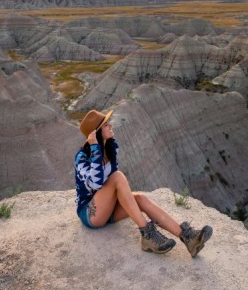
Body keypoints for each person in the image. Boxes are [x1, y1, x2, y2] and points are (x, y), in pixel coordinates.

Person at [74, 109, 213, 257]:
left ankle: (188, 238)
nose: (111, 126)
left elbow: (111, 187)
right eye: (106, 125)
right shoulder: (82, 157)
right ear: (95, 133)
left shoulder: (110, 148)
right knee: (118, 176)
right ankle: (147, 234)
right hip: (90, 214)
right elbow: (96, 184)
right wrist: (95, 148)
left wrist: (126, 199)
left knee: (140, 198)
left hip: (108, 210)